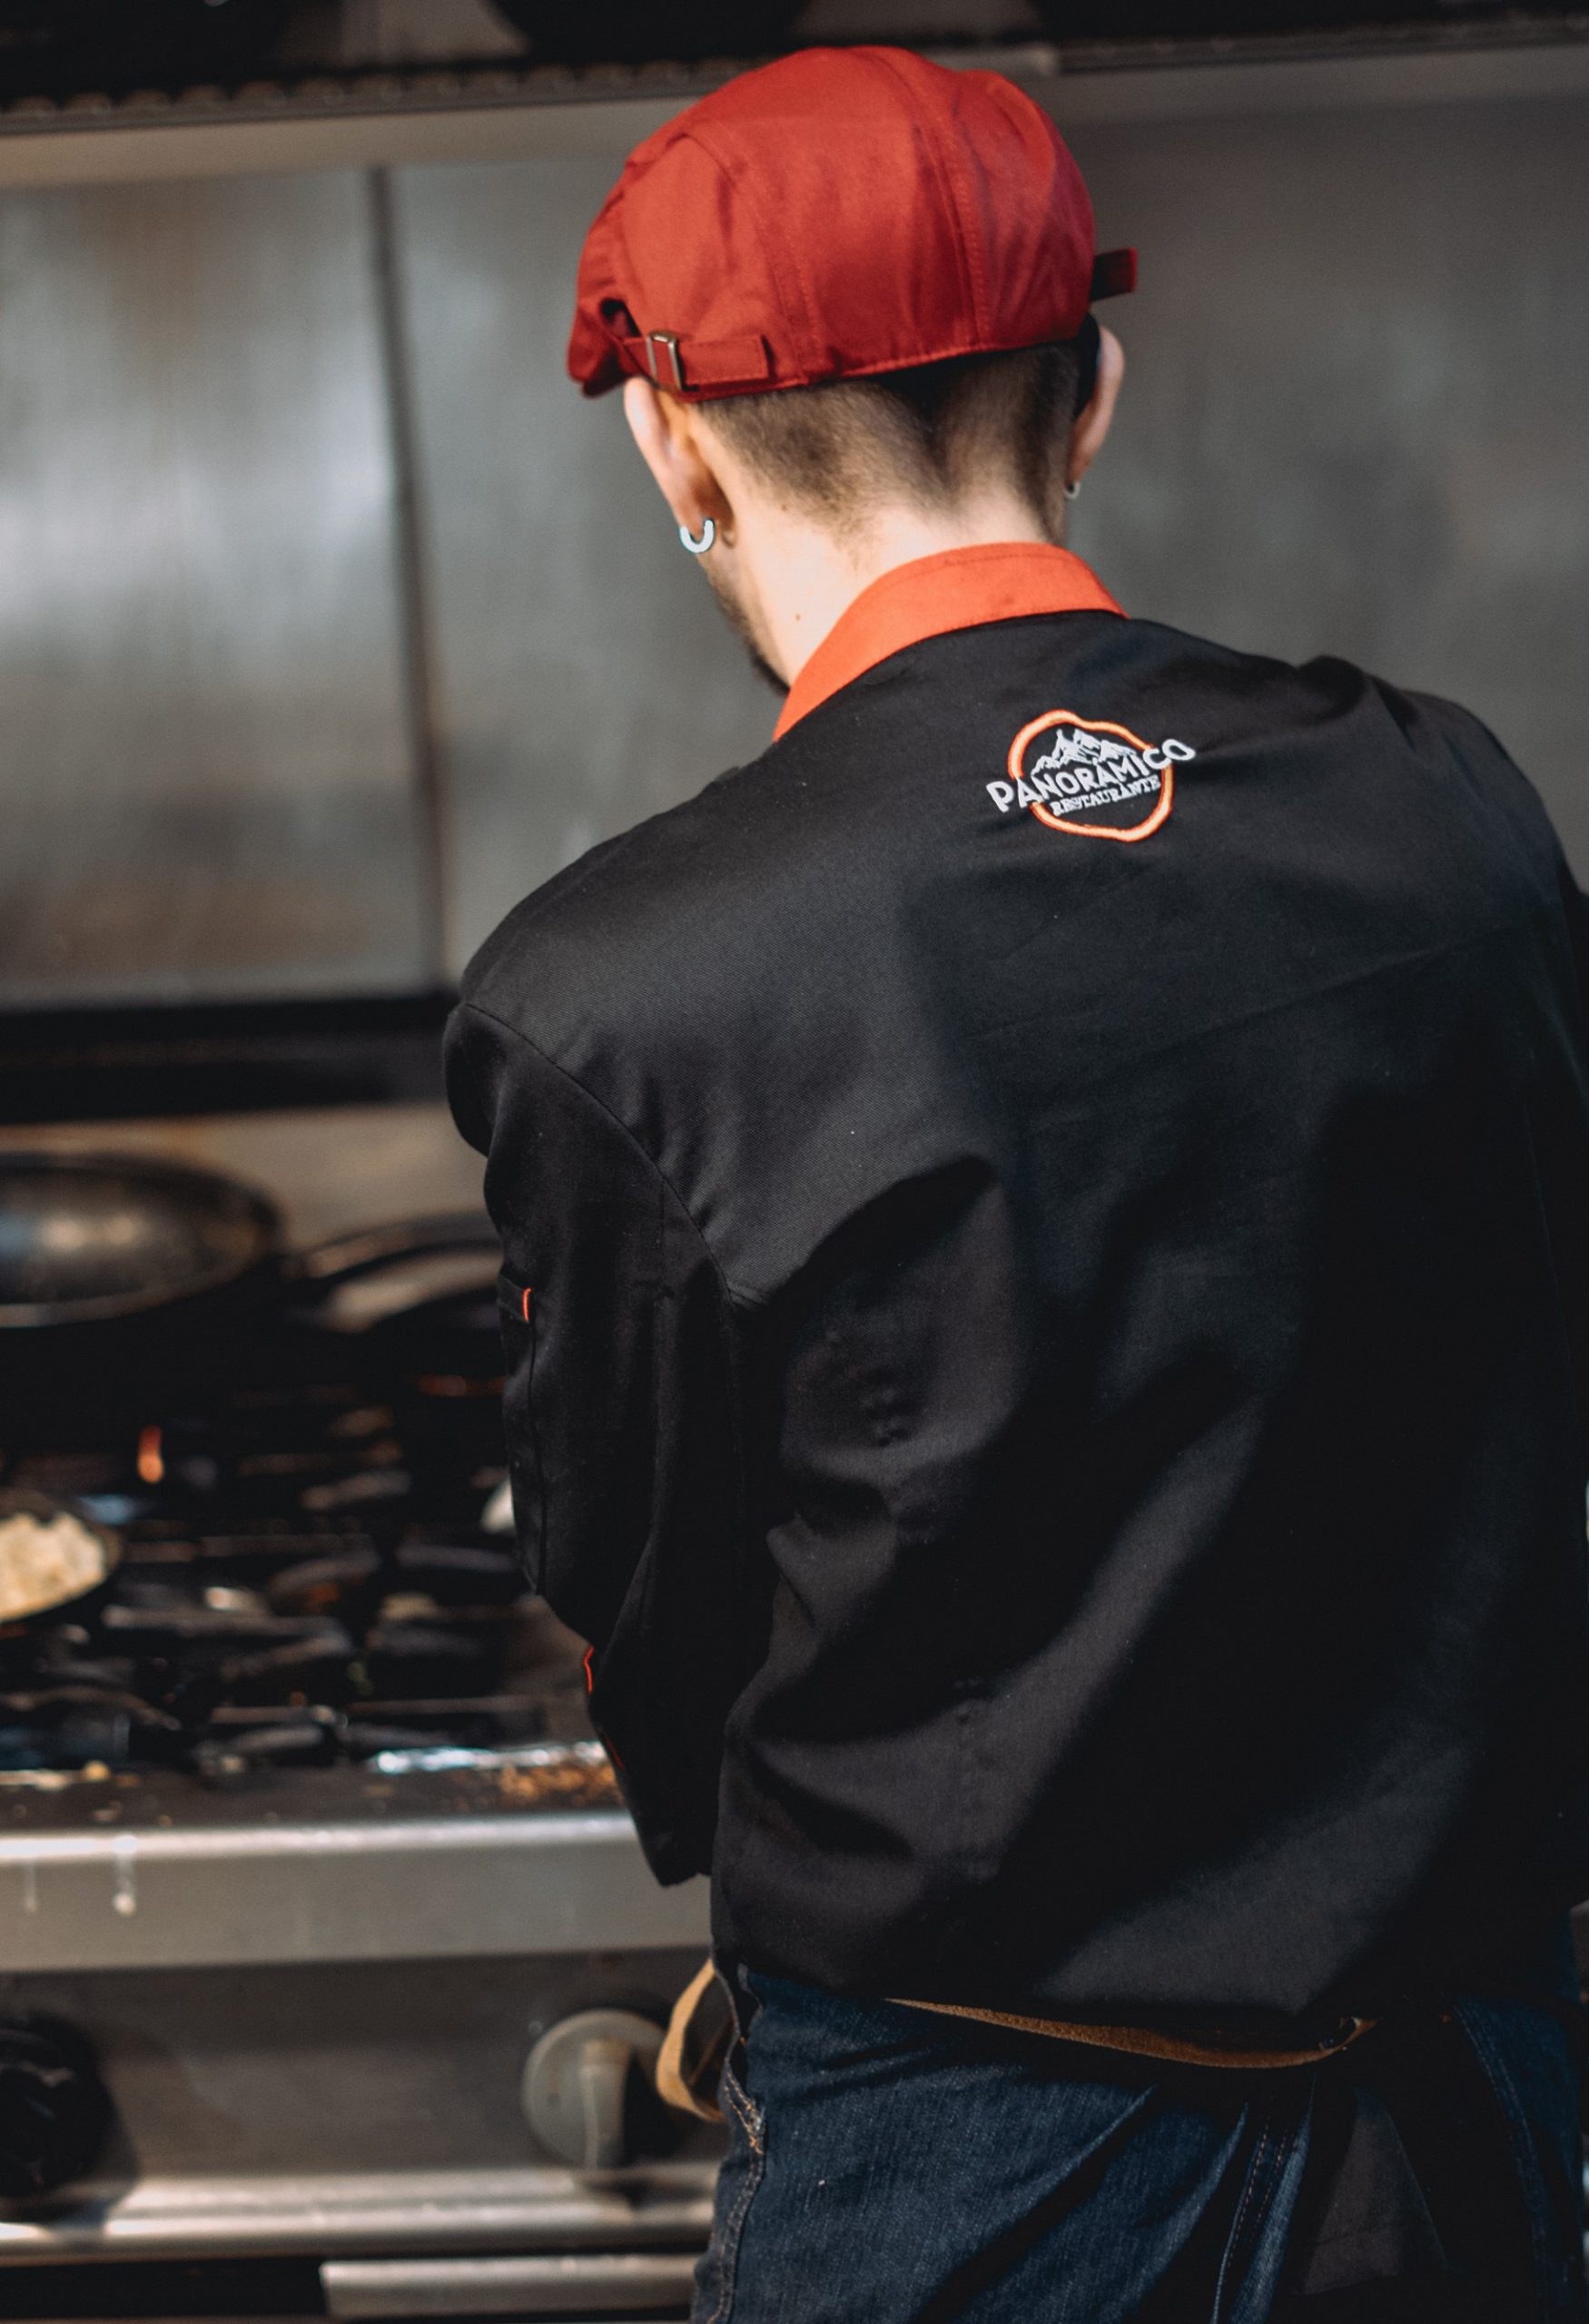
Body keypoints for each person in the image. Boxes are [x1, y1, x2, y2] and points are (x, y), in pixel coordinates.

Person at [444, 45, 1589, 2322]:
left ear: (669, 440)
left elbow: (648, 1619)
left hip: (978, 2156)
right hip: (1470, 2100)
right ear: (1091, 388)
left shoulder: (616, 994)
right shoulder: (1444, 803)